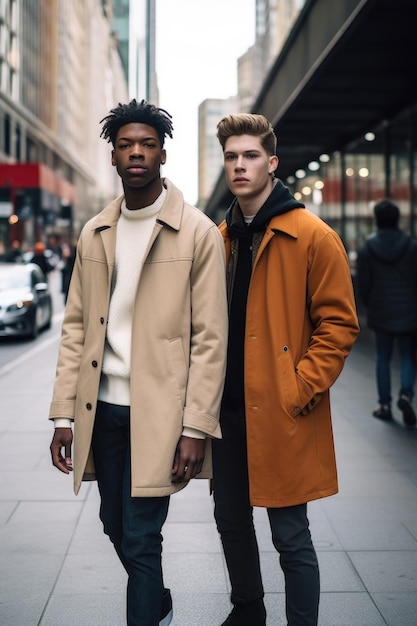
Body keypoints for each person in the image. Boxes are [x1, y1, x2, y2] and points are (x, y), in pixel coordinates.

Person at [49, 99, 228, 626]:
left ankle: (149, 616)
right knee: (113, 523)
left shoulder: (195, 232)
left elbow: (210, 339)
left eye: (146, 144)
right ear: (112, 156)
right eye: (126, 144)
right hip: (102, 409)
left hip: (161, 415)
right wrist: (63, 417)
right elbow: (76, 327)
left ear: (163, 154)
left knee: (142, 534)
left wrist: (196, 426)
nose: (136, 153)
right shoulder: (95, 232)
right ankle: (161, 602)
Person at [211, 113, 360, 626]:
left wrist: (301, 386)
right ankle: (247, 611)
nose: (239, 165)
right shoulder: (219, 238)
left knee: (290, 534)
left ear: (272, 163)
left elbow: (339, 324)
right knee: (230, 520)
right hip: (225, 412)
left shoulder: (312, 236)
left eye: (250, 155)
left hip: (282, 408)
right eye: (231, 156)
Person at [356, 199, 417, 426]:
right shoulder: (411, 246)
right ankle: (406, 395)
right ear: (397, 219)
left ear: (377, 220)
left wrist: (369, 303)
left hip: (381, 309)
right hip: (410, 310)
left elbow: (363, 284)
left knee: (382, 357)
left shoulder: (367, 248)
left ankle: (383, 404)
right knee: (408, 356)